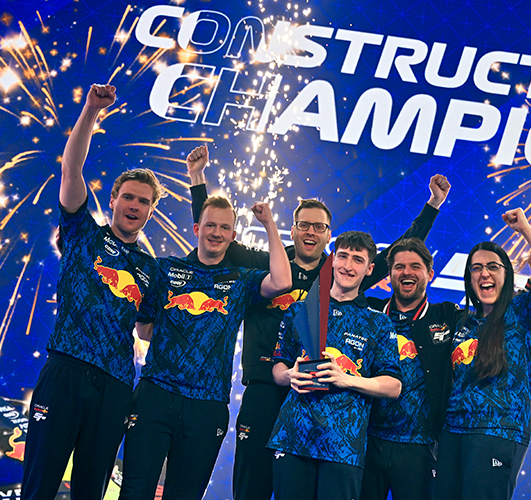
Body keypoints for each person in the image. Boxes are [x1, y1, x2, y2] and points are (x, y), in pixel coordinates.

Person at [188, 162, 450, 500]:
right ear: (293, 230)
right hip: (267, 387)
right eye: (304, 225)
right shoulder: (269, 264)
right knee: (251, 488)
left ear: (329, 236)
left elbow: (393, 253)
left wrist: (432, 206)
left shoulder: (339, 271)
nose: (311, 232)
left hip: (320, 403)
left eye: (319, 226)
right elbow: (214, 237)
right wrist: (198, 182)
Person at [118, 146, 292, 499]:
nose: (216, 232)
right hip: (155, 396)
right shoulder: (166, 269)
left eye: (225, 228)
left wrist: (270, 224)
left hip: (207, 406)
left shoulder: (241, 279)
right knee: (135, 491)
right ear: (197, 228)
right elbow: (144, 329)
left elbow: (283, 281)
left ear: (233, 236)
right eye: (210, 225)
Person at [22, 84, 164, 499]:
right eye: (128, 197)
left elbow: (146, 330)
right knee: (39, 484)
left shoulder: (151, 269)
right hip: (64, 371)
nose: (134, 206)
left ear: (151, 211)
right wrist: (90, 111)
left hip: (114, 386)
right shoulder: (82, 232)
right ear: (114, 199)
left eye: (143, 202)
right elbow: (71, 169)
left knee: (91, 490)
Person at [434, 208, 531, 500]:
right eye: (476, 268)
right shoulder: (462, 321)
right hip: (452, 433)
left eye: (493, 266)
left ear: (506, 274)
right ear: (469, 279)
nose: (484, 273)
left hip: (498, 433)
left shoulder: (521, 312)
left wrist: (526, 230)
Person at [268, 231, 402, 500]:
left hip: (344, 446)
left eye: (357, 260)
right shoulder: (300, 309)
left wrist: (346, 379)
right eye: (343, 256)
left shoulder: (378, 322)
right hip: (292, 436)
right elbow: (278, 367)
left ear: (369, 269)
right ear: (332, 259)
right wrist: (290, 375)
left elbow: (394, 386)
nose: (348, 266)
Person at [361, 238, 461, 500]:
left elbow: (494, 314)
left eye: (415, 266)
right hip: (366, 441)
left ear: (430, 274)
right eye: (399, 267)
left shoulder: (447, 316)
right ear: (388, 274)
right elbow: (338, 287)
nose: (407, 272)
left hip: (420, 447)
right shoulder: (369, 311)